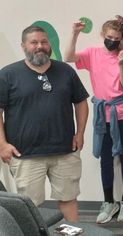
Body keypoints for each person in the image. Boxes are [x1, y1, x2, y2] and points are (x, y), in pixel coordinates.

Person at [0, 25, 89, 222]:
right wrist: (2, 144)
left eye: (43, 42)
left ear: (49, 44)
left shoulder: (65, 71)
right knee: (30, 206)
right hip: (25, 154)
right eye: (34, 42)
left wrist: (80, 132)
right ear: (23, 45)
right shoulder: (8, 74)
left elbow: (81, 101)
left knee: (68, 199)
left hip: (65, 150)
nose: (39, 46)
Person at [64, 15, 123, 223]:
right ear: (103, 35)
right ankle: (108, 202)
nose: (112, 40)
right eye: (109, 36)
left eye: (117, 38)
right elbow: (68, 57)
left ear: (122, 39)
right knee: (105, 158)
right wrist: (75, 33)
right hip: (102, 114)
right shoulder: (93, 54)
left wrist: (122, 65)